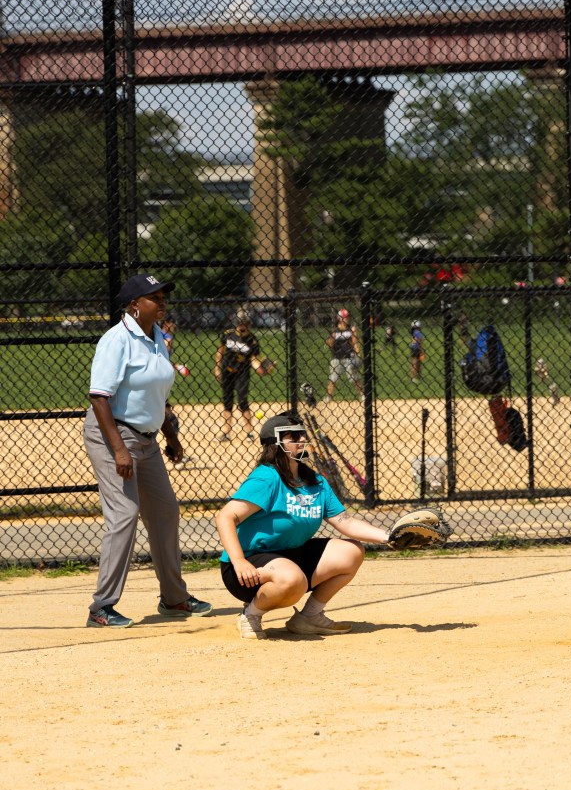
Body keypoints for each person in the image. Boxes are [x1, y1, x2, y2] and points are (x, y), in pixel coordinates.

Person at [84, 273, 212, 628]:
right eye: (154, 297)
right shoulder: (117, 340)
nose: (162, 302)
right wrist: (119, 451)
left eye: (163, 296)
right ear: (134, 305)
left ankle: (174, 598)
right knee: (124, 514)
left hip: (147, 438)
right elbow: (99, 397)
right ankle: (101, 608)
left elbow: (159, 396)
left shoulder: (158, 338)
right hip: (114, 435)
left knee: (165, 511)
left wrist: (171, 437)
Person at [214, 413, 395, 640]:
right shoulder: (266, 478)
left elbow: (345, 523)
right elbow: (225, 517)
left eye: (302, 434)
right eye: (293, 436)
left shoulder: (315, 481)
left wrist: (390, 537)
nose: (301, 439)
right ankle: (250, 615)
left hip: (289, 556)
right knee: (292, 579)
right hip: (247, 566)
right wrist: (239, 561)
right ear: (275, 444)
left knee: (351, 551)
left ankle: (309, 616)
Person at [213, 309, 268, 441]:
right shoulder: (228, 334)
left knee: (242, 401)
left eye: (243, 322)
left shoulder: (252, 340)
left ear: (248, 323)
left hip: (242, 373)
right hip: (227, 371)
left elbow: (254, 359)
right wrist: (217, 368)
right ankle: (226, 432)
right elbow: (220, 351)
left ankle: (249, 432)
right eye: (238, 322)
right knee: (227, 401)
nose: (240, 324)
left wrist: (261, 369)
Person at [326, 308, 364, 400]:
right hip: (337, 357)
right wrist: (332, 337)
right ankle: (329, 397)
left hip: (349, 357)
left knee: (355, 378)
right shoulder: (335, 330)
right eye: (345, 317)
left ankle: (363, 395)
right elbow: (329, 344)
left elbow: (355, 342)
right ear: (339, 318)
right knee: (333, 379)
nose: (347, 319)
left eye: (347, 317)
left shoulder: (351, 328)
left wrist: (357, 354)